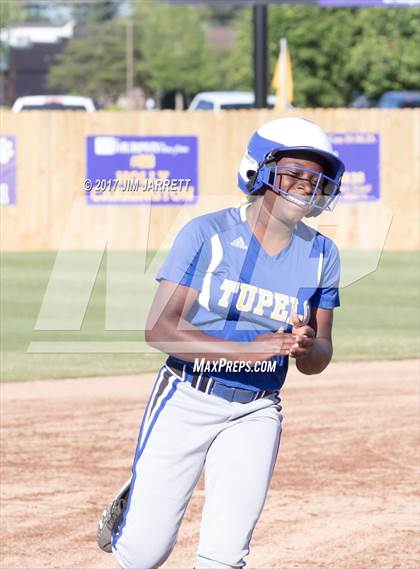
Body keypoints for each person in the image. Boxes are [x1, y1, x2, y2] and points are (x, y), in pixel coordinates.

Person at [105, 117, 345, 569]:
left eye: (316, 180)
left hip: (258, 406)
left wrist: (308, 347)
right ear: (259, 171)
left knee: (225, 555)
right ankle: (138, 503)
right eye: (295, 174)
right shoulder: (207, 233)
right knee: (144, 553)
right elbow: (159, 329)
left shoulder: (322, 255)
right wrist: (250, 348)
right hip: (188, 393)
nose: (306, 188)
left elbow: (320, 357)